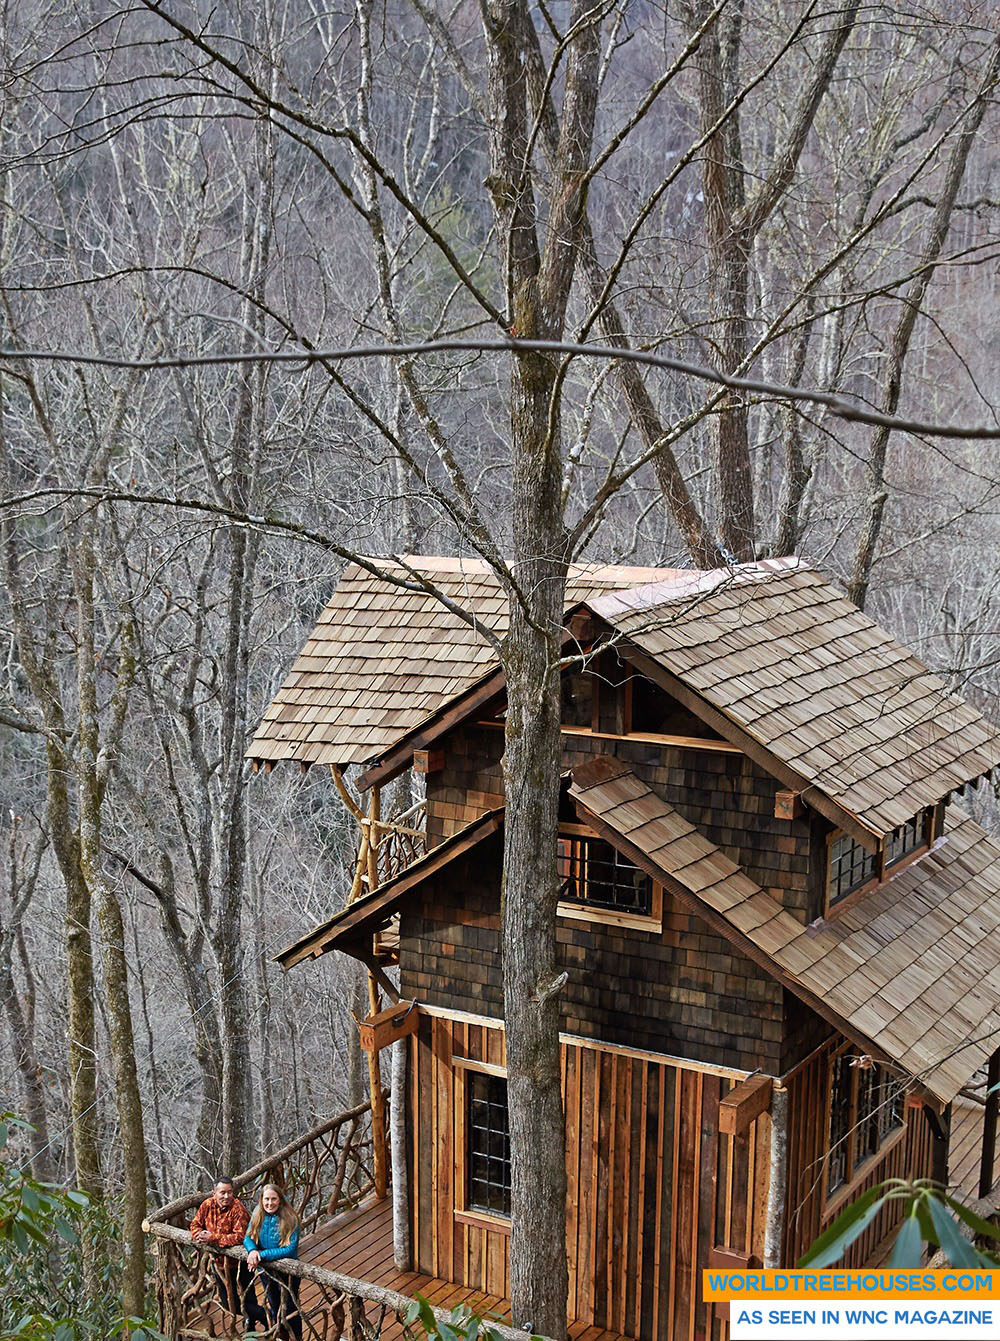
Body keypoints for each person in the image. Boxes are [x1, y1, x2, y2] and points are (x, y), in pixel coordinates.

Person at [189, 1175, 268, 1334]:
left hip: (240, 1263)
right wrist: (199, 1234)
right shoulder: (207, 1205)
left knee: (248, 1298)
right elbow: (195, 1224)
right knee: (227, 1302)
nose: (226, 1196)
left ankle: (256, 1323)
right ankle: (260, 1315)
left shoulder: (238, 1209)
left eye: (230, 1192)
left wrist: (213, 1238)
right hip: (219, 1264)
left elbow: (240, 1237)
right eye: (222, 1192)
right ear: (214, 1192)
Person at [244, 1183, 303, 1341]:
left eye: (273, 1199)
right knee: (274, 1303)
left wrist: (261, 1255)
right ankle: (281, 1335)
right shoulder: (258, 1213)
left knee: (290, 1307)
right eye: (266, 1199)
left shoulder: (291, 1218)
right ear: (261, 1200)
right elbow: (248, 1237)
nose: (270, 1203)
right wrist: (252, 1251)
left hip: (288, 1271)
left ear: (280, 1199)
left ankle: (297, 1337)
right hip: (267, 1271)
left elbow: (290, 1250)